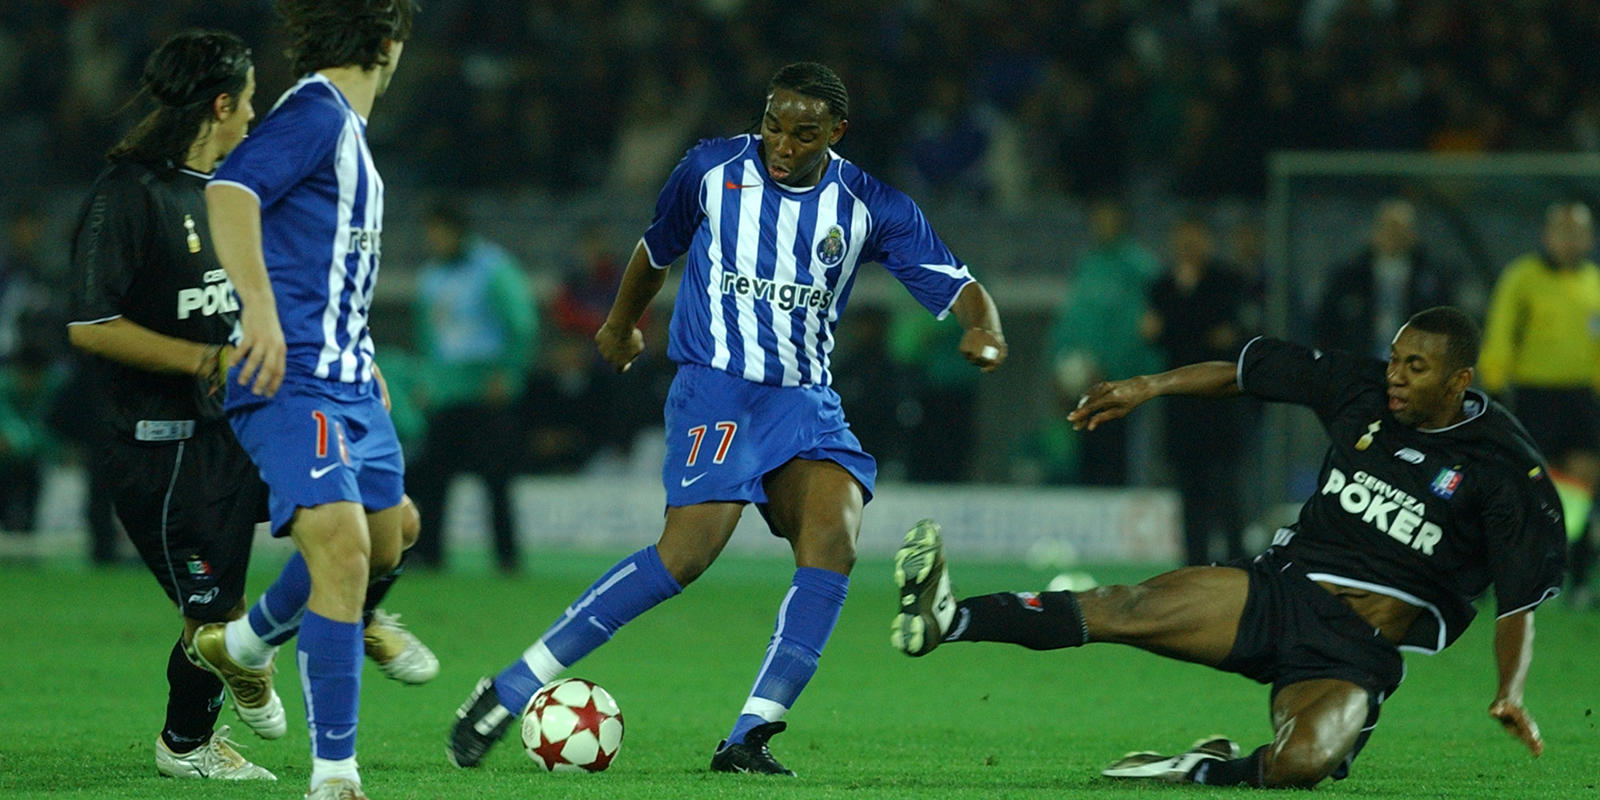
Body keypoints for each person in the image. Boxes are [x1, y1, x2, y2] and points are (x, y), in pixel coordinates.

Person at [449, 61, 1008, 775]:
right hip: (716, 387)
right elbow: (657, 248)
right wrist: (621, 326)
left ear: (835, 132)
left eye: (804, 133)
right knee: (685, 555)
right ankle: (508, 687)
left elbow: (962, 286)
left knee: (834, 539)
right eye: (774, 125)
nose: (783, 143)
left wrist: (984, 328)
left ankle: (750, 734)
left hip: (804, 400)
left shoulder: (872, 206)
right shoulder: (710, 169)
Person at [893, 306, 1564, 788]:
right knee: (1124, 606)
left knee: (1301, 766)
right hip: (1280, 592)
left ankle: (1199, 769)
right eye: (1394, 358)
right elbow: (1242, 373)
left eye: (1415, 367)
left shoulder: (1505, 469)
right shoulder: (1360, 389)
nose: (1395, 376)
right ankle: (949, 618)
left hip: (1353, 653)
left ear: (1459, 380)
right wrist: (1147, 387)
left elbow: (1519, 604)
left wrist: (1510, 691)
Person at [192, 4, 421, 799]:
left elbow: (321, 266)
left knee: (390, 542)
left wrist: (361, 349)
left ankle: (249, 642)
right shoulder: (316, 115)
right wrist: (257, 310)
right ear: (390, 46)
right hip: (289, 380)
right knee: (345, 551)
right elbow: (229, 192)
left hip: (350, 376)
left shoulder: (346, 133)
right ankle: (335, 775)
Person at [63, 30, 274, 780]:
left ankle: (223, 700)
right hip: (159, 442)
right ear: (220, 103)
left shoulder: (225, 192)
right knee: (214, 618)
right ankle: (186, 745)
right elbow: (91, 325)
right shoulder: (127, 195)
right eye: (247, 100)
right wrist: (203, 360)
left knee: (345, 526)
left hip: (232, 430)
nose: (254, 115)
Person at [1479, 202, 1600, 609]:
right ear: (1548, 235)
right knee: (1530, 486)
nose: (1570, 238)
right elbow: (1500, 331)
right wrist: (1495, 387)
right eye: (1562, 230)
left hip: (1581, 397)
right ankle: (1515, 574)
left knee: (1582, 483)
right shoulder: (1523, 277)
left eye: (1578, 231)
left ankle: (1576, 576)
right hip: (1534, 396)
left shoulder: (1594, 282)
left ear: (1589, 237)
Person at [407, 201, 535, 572]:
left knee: (496, 480)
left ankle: (507, 558)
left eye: (437, 231)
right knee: (434, 480)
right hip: (446, 391)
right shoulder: (431, 276)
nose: (432, 239)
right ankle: (429, 554)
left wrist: (508, 372)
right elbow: (427, 337)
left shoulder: (493, 268)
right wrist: (426, 380)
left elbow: (522, 323)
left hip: (487, 390)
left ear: (456, 230)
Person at [1142, 217, 1255, 565]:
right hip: (1181, 410)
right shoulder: (1160, 286)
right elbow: (1152, 334)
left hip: (1219, 407)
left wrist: (1176, 328)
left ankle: (1237, 568)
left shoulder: (1227, 281)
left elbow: (1225, 335)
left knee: (1226, 496)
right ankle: (1193, 569)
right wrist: (1199, 331)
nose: (1189, 245)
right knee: (1189, 499)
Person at [1049, 198, 1162, 486]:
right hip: (1083, 382)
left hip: (1120, 384)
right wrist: (1059, 362)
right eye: (1097, 217)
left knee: (1119, 461)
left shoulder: (1139, 268)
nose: (1101, 224)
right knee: (1086, 458)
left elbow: (1138, 328)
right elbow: (1071, 320)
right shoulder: (1088, 264)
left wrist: (1112, 369)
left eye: (1108, 216)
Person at [1314, 199, 1450, 360]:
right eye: (1388, 227)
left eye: (1400, 228)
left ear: (1413, 233)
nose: (1394, 235)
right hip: (1359, 366)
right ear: (1374, 230)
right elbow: (1326, 326)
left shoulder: (1433, 277)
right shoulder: (1349, 277)